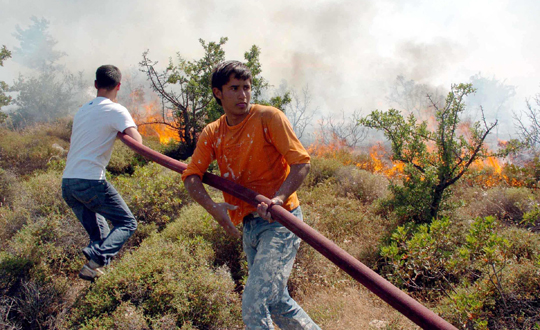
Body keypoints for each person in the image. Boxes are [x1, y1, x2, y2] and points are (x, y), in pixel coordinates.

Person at [182, 61, 320, 330]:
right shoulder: (213, 132)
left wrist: (278, 199)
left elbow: (302, 163)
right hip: (249, 224)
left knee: (254, 303)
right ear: (217, 93)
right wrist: (214, 208)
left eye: (246, 87)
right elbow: (191, 175)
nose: (243, 94)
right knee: (276, 301)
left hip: (282, 220)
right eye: (234, 88)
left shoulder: (269, 118)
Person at [62, 65, 142, 281]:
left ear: (96, 85)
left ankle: (93, 265)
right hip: (90, 182)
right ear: (118, 86)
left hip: (68, 184)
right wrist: (119, 131)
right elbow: (137, 142)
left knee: (101, 234)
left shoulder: (82, 110)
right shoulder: (116, 110)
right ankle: (96, 258)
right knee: (127, 223)